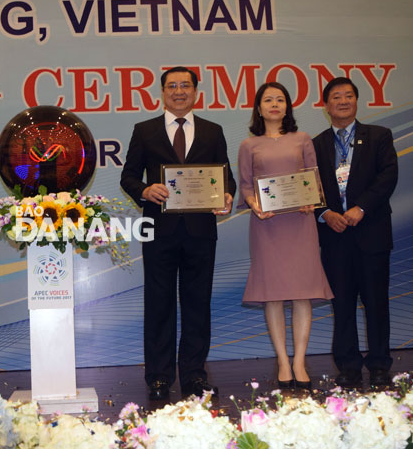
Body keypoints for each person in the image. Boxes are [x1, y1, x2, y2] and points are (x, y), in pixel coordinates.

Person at [121, 66, 236, 400]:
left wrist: (226, 194)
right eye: (172, 86)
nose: (179, 91)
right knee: (159, 304)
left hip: (201, 231)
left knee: (197, 304)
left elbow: (224, 175)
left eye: (185, 85)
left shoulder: (213, 131)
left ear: (196, 91)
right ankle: (158, 376)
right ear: (162, 92)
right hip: (159, 229)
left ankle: (194, 376)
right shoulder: (145, 130)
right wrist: (145, 191)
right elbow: (128, 176)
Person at [237, 82, 333, 390]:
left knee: (302, 292)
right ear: (259, 108)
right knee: (273, 294)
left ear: (288, 106)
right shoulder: (249, 145)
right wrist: (256, 206)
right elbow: (246, 185)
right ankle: (282, 360)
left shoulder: (302, 139)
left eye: (280, 99)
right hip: (267, 225)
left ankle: (300, 361)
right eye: (268, 100)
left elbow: (313, 177)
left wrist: (311, 196)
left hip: (301, 222)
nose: (275, 104)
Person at [313, 77, 398, 388]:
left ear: (357, 102)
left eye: (349, 95)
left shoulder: (379, 136)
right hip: (335, 237)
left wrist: (360, 208)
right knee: (343, 304)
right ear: (326, 106)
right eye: (336, 97)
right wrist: (324, 213)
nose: (343, 101)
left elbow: (388, 177)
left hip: (371, 233)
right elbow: (311, 187)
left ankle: (378, 365)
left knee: (376, 303)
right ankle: (348, 365)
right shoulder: (317, 143)